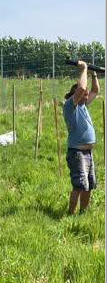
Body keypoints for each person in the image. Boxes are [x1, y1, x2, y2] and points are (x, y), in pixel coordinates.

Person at [63, 60, 100, 215]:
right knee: (79, 186)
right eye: (82, 94)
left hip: (88, 153)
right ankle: (70, 214)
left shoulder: (83, 105)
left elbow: (95, 91)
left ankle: (82, 214)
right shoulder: (70, 106)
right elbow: (83, 88)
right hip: (77, 153)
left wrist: (94, 73)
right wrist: (84, 69)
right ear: (75, 95)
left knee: (88, 186)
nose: (86, 95)